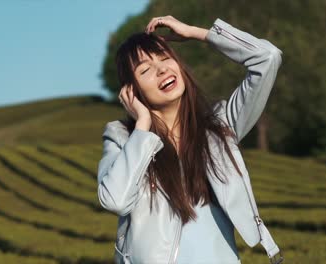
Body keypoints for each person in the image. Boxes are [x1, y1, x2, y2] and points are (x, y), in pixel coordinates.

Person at [97, 15, 284, 264]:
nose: (161, 69)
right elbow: (115, 200)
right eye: (145, 70)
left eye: (165, 58)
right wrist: (142, 126)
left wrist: (199, 33)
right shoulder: (123, 138)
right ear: (131, 91)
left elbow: (267, 58)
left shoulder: (219, 127)